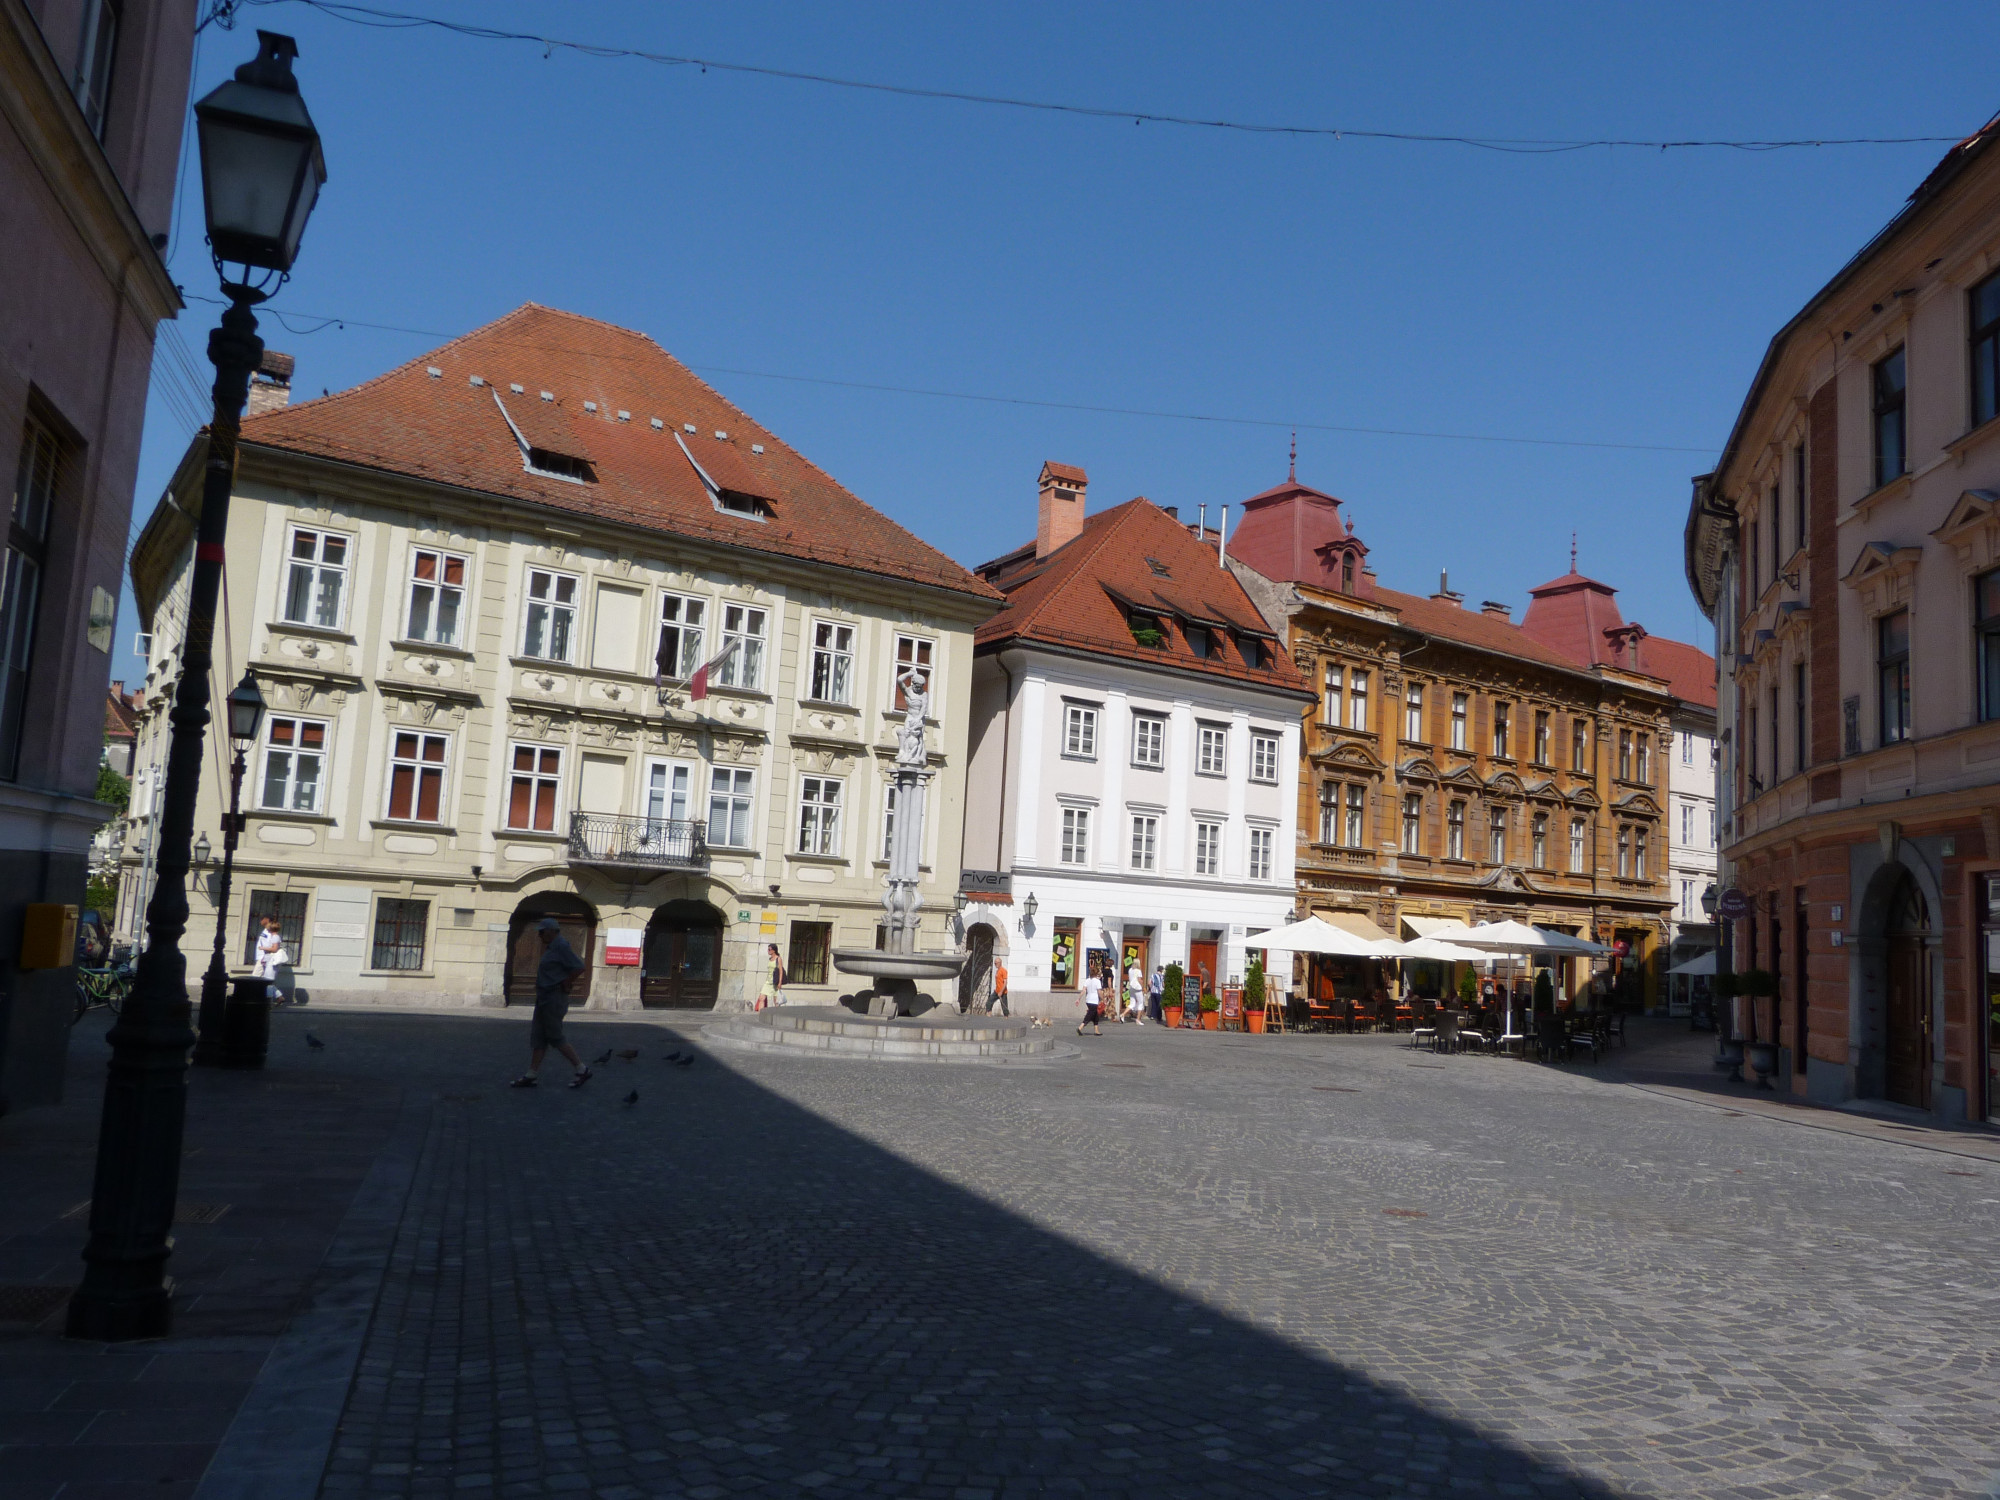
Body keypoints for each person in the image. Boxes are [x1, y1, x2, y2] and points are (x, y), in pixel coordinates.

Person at [510, 918, 590, 1089]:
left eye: (542, 931)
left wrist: (567, 982)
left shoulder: (561, 946)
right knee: (538, 1036)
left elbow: (579, 966)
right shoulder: (551, 947)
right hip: (544, 997)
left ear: (552, 931)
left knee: (555, 1036)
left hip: (554, 997)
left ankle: (581, 1069)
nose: (539, 935)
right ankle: (531, 1075)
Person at [252, 914, 291, 1000]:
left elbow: (273, 948)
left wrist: (263, 949)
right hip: (264, 957)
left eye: (262, 919)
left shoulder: (273, 935)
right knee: (265, 979)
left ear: (267, 920)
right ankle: (278, 996)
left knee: (256, 978)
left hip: (267, 958)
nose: (260, 921)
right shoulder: (266, 931)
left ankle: (261, 999)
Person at [1076, 966, 1103, 1036]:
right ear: (1096, 973)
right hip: (1094, 1001)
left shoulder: (1087, 980)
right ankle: (1080, 1027)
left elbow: (1083, 990)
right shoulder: (1097, 981)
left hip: (1088, 1000)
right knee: (1090, 1015)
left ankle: (1096, 1030)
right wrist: (1103, 998)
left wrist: (1079, 998)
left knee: (1095, 1016)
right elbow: (1099, 992)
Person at [757, 942, 784, 1010]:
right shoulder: (770, 959)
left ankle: (777, 1016)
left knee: (776, 1001)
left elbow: (781, 971)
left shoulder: (778, 959)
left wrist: (780, 982)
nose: (768, 950)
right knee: (761, 998)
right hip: (768, 982)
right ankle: (761, 1015)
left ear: (774, 950)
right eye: (768, 949)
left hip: (775, 982)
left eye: (769, 949)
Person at [1126, 959, 1145, 1025]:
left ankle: (1122, 1014)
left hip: (1131, 987)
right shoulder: (1138, 971)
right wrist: (1143, 987)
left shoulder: (1130, 970)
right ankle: (1138, 1019)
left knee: (1132, 1003)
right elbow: (1140, 980)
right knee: (1140, 1003)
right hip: (1137, 988)